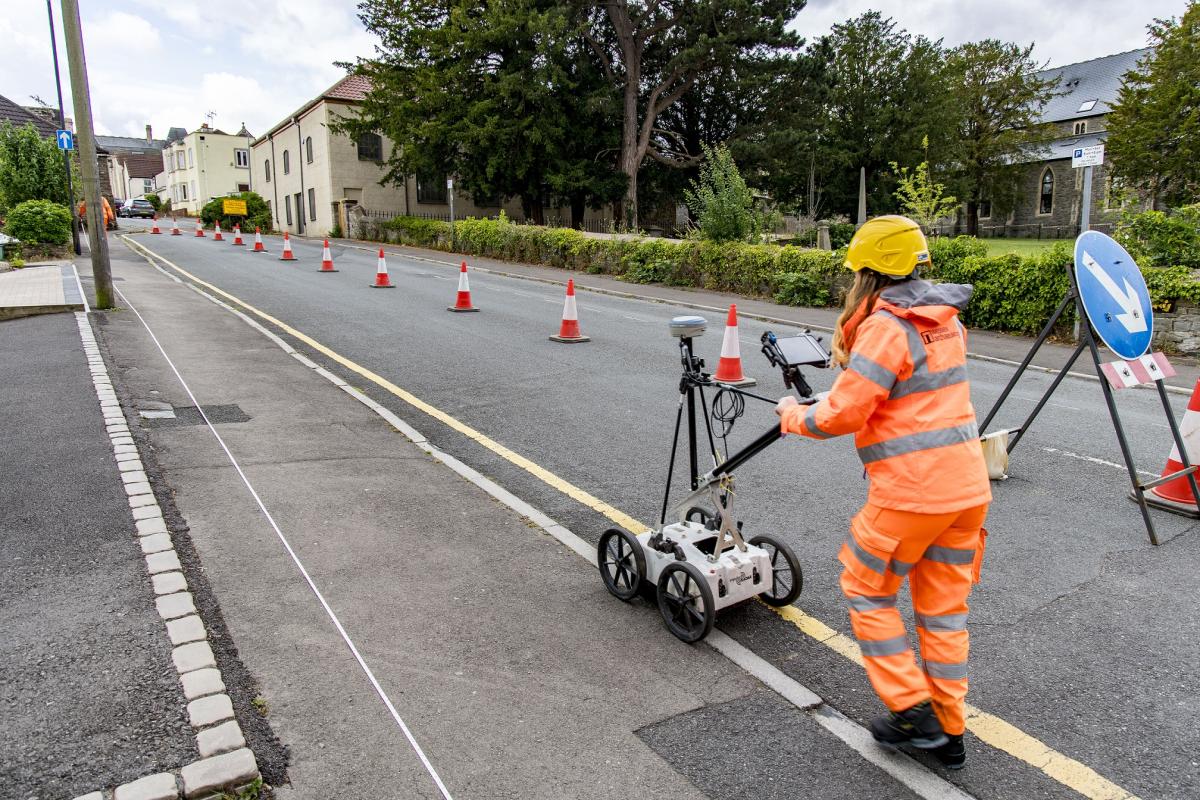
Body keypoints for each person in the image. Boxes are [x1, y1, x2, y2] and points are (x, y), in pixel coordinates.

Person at [775, 215, 991, 770]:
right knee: (943, 615)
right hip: (966, 491)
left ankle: (910, 709)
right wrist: (841, 392)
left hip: (911, 495)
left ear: (868, 273)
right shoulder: (946, 322)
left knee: (867, 590)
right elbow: (907, 392)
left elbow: (845, 414)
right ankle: (948, 729)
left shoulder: (884, 325)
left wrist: (794, 416)